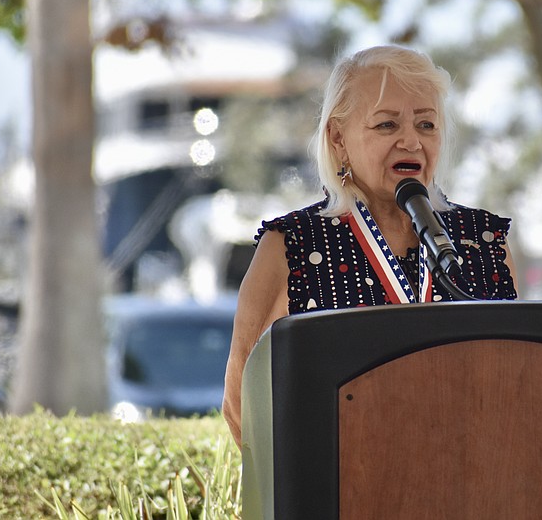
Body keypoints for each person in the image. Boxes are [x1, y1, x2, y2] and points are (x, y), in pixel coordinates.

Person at [222, 45, 518, 448]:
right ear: (339, 139)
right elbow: (244, 405)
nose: (411, 142)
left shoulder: (483, 242)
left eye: (427, 125)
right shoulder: (291, 247)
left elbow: (521, 382)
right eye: (386, 125)